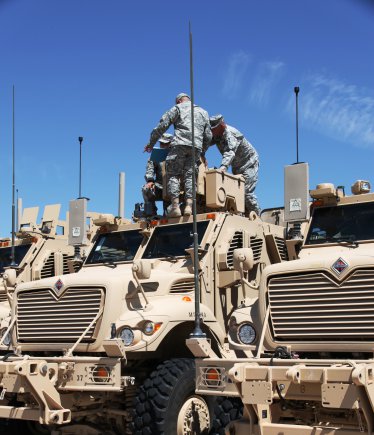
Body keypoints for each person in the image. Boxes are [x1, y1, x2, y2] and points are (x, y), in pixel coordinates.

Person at [144, 93, 212, 217]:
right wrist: (202, 152)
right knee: (190, 175)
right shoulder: (204, 112)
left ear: (179, 101)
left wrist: (150, 143)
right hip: (196, 147)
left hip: (179, 145)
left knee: (173, 174)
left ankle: (175, 206)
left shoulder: (178, 108)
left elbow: (162, 125)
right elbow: (208, 136)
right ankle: (188, 206)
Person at [208, 114, 260, 215]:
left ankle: (257, 217)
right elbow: (206, 143)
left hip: (249, 163)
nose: (212, 131)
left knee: (245, 192)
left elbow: (230, 152)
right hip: (237, 167)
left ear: (222, 125)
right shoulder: (217, 134)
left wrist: (223, 167)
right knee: (236, 194)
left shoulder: (231, 134)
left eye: (214, 129)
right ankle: (244, 215)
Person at [142, 133, 173, 217]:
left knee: (168, 215)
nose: (163, 145)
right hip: (159, 187)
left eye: (165, 144)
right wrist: (150, 181)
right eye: (161, 143)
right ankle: (152, 213)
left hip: (173, 189)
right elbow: (150, 169)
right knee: (146, 189)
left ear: (171, 144)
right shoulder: (156, 155)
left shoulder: (177, 155)